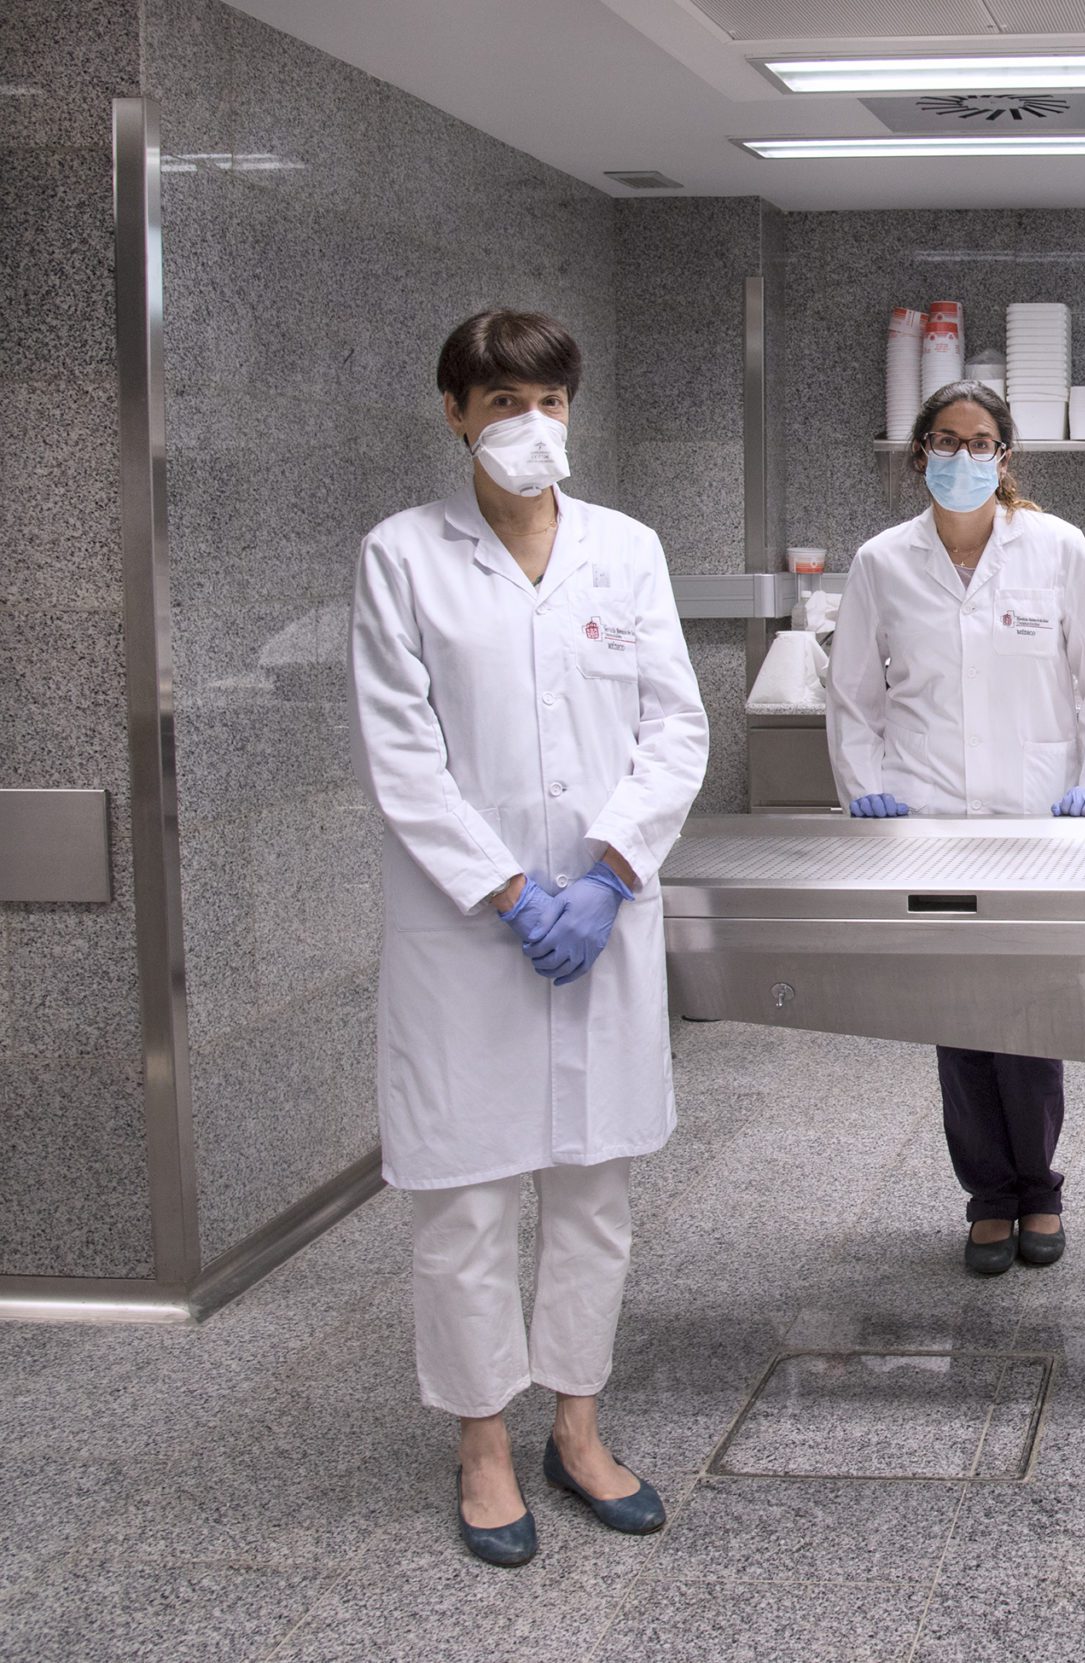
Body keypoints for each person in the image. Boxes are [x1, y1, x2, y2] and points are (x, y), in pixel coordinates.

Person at [350, 309, 708, 1567]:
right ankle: (483, 1444)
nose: (530, 424)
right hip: (468, 937)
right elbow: (403, 756)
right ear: (454, 414)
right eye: (502, 401)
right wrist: (510, 893)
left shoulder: (627, 550)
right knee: (465, 1202)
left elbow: (675, 727)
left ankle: (578, 1428)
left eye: (550, 400)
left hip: (599, 922)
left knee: (593, 1195)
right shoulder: (404, 556)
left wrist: (608, 877)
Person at [825, 380, 1085, 1277]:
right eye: (946, 441)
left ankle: (1040, 1187)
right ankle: (989, 1198)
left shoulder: (1057, 547)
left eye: (980, 442)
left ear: (1005, 456)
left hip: (1037, 819)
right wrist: (866, 789)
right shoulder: (883, 561)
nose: (963, 458)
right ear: (920, 451)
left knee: (1031, 1016)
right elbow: (853, 696)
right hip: (927, 819)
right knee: (958, 1018)